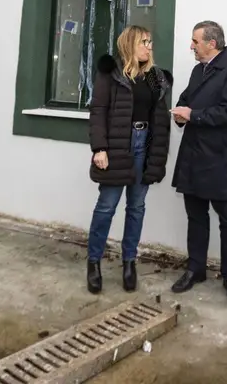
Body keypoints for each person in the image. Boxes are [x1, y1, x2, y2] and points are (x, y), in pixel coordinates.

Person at [85, 25, 173, 294]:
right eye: (144, 42)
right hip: (116, 147)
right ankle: (94, 262)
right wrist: (99, 148)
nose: (149, 47)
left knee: (136, 207)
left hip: (143, 146)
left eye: (150, 42)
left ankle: (129, 262)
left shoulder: (156, 78)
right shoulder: (110, 74)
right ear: (130, 45)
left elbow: (160, 117)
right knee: (106, 207)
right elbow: (98, 111)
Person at [168, 21, 227, 305]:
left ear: (211, 43)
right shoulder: (198, 70)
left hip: (220, 159)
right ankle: (196, 269)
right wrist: (180, 112)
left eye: (195, 41)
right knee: (196, 216)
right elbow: (187, 99)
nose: (191, 46)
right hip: (193, 155)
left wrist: (193, 115)